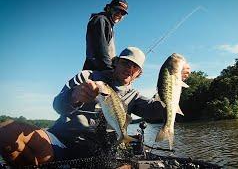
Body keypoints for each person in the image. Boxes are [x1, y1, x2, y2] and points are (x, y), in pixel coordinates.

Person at [0, 47, 191, 166]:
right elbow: (57, 105)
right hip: (60, 141)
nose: (129, 69)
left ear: (138, 75)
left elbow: (157, 111)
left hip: (99, 151)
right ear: (115, 63)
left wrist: (174, 83)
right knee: (5, 132)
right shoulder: (86, 76)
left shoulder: (135, 96)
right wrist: (74, 96)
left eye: (135, 68)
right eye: (125, 63)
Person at [83, 0, 128, 71]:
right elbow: (100, 49)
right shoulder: (100, 20)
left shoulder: (108, 25)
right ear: (108, 8)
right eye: (117, 10)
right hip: (97, 72)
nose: (119, 14)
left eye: (122, 13)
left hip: (102, 70)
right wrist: (109, 70)